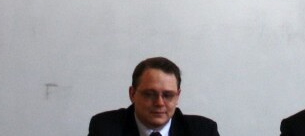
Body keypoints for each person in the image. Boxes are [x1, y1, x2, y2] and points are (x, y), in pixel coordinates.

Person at [87, 57, 220, 136]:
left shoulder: (203, 131)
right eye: (149, 94)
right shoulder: (105, 128)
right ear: (132, 94)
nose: (159, 103)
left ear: (178, 96)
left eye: (168, 95)